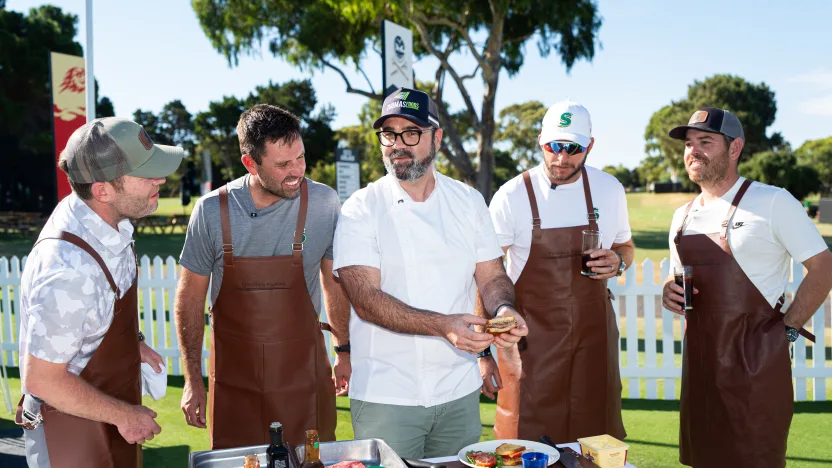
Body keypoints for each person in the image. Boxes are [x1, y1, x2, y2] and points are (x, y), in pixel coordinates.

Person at [332, 88, 528, 460]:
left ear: (436, 138)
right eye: (389, 134)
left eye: (411, 133)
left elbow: (492, 276)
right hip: (386, 396)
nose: (397, 145)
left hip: (459, 392)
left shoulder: (468, 201)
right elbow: (366, 300)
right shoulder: (362, 207)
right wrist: (443, 325)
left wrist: (503, 310)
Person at [662, 107, 832, 467]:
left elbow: (823, 267)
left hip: (757, 364)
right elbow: (679, 276)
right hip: (701, 364)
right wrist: (668, 288)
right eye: (689, 144)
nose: (693, 151)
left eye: (705, 142)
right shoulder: (682, 216)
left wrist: (785, 331)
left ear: (734, 147)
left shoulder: (772, 201)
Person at [174, 104, 350, 449]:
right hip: (235, 381)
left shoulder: (325, 203)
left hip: (304, 375)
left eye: (300, 158)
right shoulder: (211, 211)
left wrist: (343, 350)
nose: (297, 171)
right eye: (283, 164)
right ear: (250, 163)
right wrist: (193, 379)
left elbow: (333, 282)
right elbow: (190, 297)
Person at [16, 117, 183, 467]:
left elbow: (100, 303)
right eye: (146, 175)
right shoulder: (67, 270)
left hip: (104, 414)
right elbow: (44, 380)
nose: (161, 181)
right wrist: (125, 416)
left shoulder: (104, 217)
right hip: (68, 435)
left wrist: (129, 341)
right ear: (102, 190)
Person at [485, 100, 631, 443]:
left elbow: (625, 246)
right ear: (540, 141)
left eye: (573, 148)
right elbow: (486, 274)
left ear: (589, 146)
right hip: (529, 345)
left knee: (595, 444)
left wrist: (619, 261)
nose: (561, 158)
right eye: (553, 146)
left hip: (594, 343)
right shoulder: (512, 195)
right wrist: (482, 355)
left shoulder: (610, 190)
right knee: (525, 443)